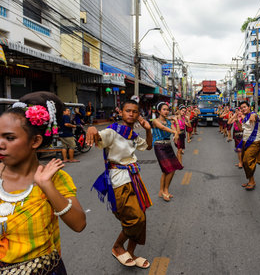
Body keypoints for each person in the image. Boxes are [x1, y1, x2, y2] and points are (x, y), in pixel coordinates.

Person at [0, 91, 86, 273]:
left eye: (9, 138)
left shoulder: (55, 178)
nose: (1, 144)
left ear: (35, 141)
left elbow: (79, 224)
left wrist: (47, 187)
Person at [86, 100, 153, 269]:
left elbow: (149, 146)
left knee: (141, 218)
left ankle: (130, 252)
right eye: (128, 111)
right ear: (121, 112)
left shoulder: (133, 134)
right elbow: (99, 136)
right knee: (134, 219)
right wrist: (92, 129)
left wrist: (148, 130)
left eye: (135, 111)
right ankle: (117, 247)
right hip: (119, 180)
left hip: (134, 178)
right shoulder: (113, 131)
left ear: (138, 115)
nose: (131, 114)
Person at [152, 102, 183, 202]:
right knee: (169, 169)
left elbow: (177, 132)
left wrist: (176, 121)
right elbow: (163, 128)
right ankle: (165, 191)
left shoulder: (169, 122)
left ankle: (162, 191)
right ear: (159, 111)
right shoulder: (155, 121)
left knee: (167, 170)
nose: (166, 111)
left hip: (168, 146)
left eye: (167, 110)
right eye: (164, 109)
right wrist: (174, 132)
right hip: (159, 146)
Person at [237, 101, 260, 190]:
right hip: (245, 141)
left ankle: (251, 181)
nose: (243, 109)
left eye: (244, 107)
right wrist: (237, 121)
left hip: (254, 142)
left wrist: (253, 114)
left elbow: (256, 116)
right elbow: (242, 129)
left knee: (247, 161)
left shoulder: (253, 114)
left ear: (249, 107)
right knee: (246, 163)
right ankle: (251, 181)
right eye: (241, 108)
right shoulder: (245, 118)